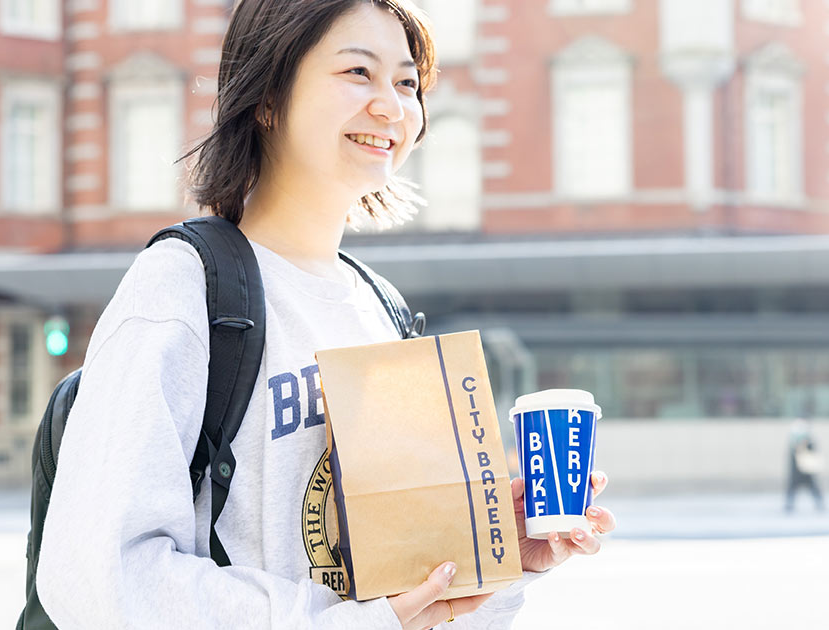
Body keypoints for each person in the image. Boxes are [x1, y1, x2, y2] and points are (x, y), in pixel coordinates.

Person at [35, 2, 617, 628]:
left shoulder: (381, 310)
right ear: (267, 96)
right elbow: (99, 580)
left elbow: (421, 608)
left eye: (406, 82)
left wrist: (493, 555)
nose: (392, 107)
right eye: (358, 73)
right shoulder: (184, 286)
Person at [784, 417, 825, 513]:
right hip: (797, 472)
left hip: (806, 471)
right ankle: (789, 505)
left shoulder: (809, 444)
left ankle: (819, 504)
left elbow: (812, 455)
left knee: (812, 488)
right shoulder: (794, 445)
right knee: (792, 489)